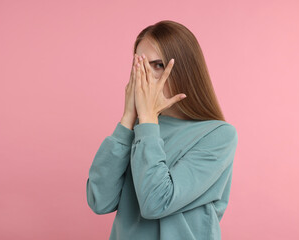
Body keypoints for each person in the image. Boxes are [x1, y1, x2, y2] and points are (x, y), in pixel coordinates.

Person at [86, 20, 238, 240]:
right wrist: (128, 119)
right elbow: (99, 201)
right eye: (140, 66)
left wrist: (147, 119)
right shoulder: (140, 130)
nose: (146, 78)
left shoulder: (218, 135)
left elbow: (156, 203)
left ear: (184, 70)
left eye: (158, 65)